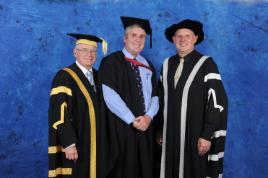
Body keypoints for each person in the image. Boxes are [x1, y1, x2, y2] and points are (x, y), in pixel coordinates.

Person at [159, 19, 228, 178]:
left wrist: (206, 134)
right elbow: (161, 98)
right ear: (174, 40)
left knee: (194, 170)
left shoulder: (207, 64)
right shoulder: (166, 64)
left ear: (195, 39)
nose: (182, 40)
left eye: (187, 36)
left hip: (195, 133)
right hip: (170, 133)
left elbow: (217, 102)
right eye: (179, 36)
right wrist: (160, 129)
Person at [98, 16, 159, 178]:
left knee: (145, 170)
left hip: (145, 128)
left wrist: (148, 117)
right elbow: (109, 95)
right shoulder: (111, 62)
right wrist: (132, 119)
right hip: (121, 129)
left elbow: (156, 96)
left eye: (142, 37)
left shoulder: (148, 65)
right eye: (134, 35)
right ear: (125, 38)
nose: (138, 40)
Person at [48, 33, 107, 178]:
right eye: (85, 50)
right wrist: (69, 143)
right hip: (76, 142)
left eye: (93, 51)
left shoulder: (100, 77)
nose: (90, 54)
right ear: (75, 52)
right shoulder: (64, 76)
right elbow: (59, 112)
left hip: (96, 143)